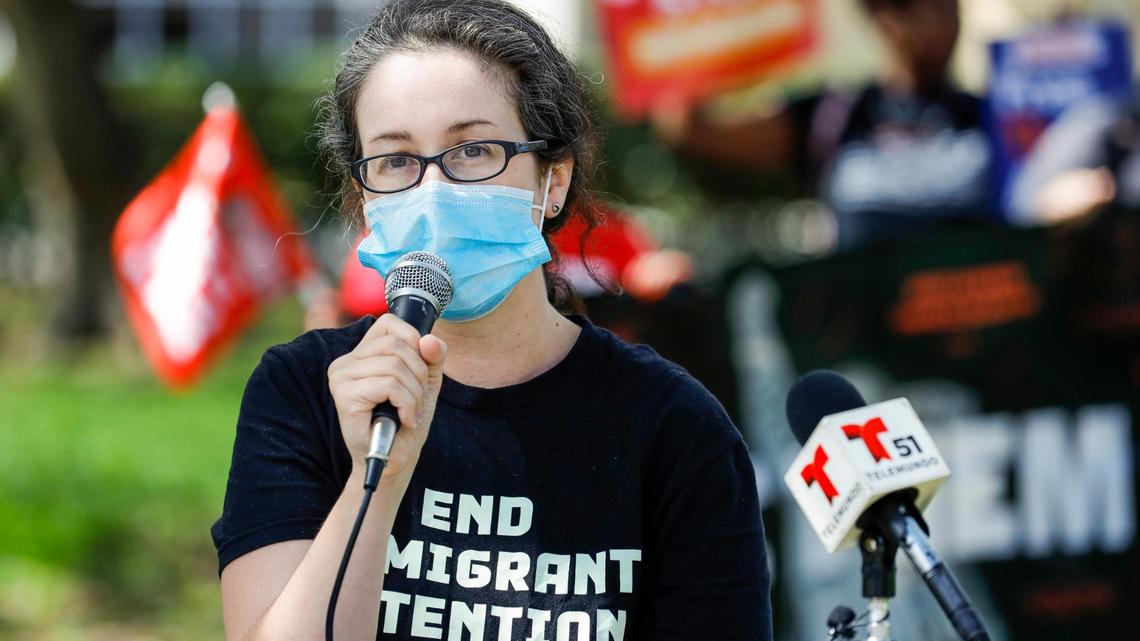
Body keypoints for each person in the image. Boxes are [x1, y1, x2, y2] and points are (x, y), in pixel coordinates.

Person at [210, 2, 771, 641]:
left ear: (552, 180)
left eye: (473, 150)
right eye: (394, 161)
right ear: (363, 194)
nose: (433, 190)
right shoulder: (303, 391)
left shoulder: (673, 425)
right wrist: (380, 479)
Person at [654, 0, 997, 249]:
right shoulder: (833, 115)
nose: (940, 21)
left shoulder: (995, 115)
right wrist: (697, 32)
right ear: (880, 16)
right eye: (917, 7)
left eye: (948, 6)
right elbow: (692, 131)